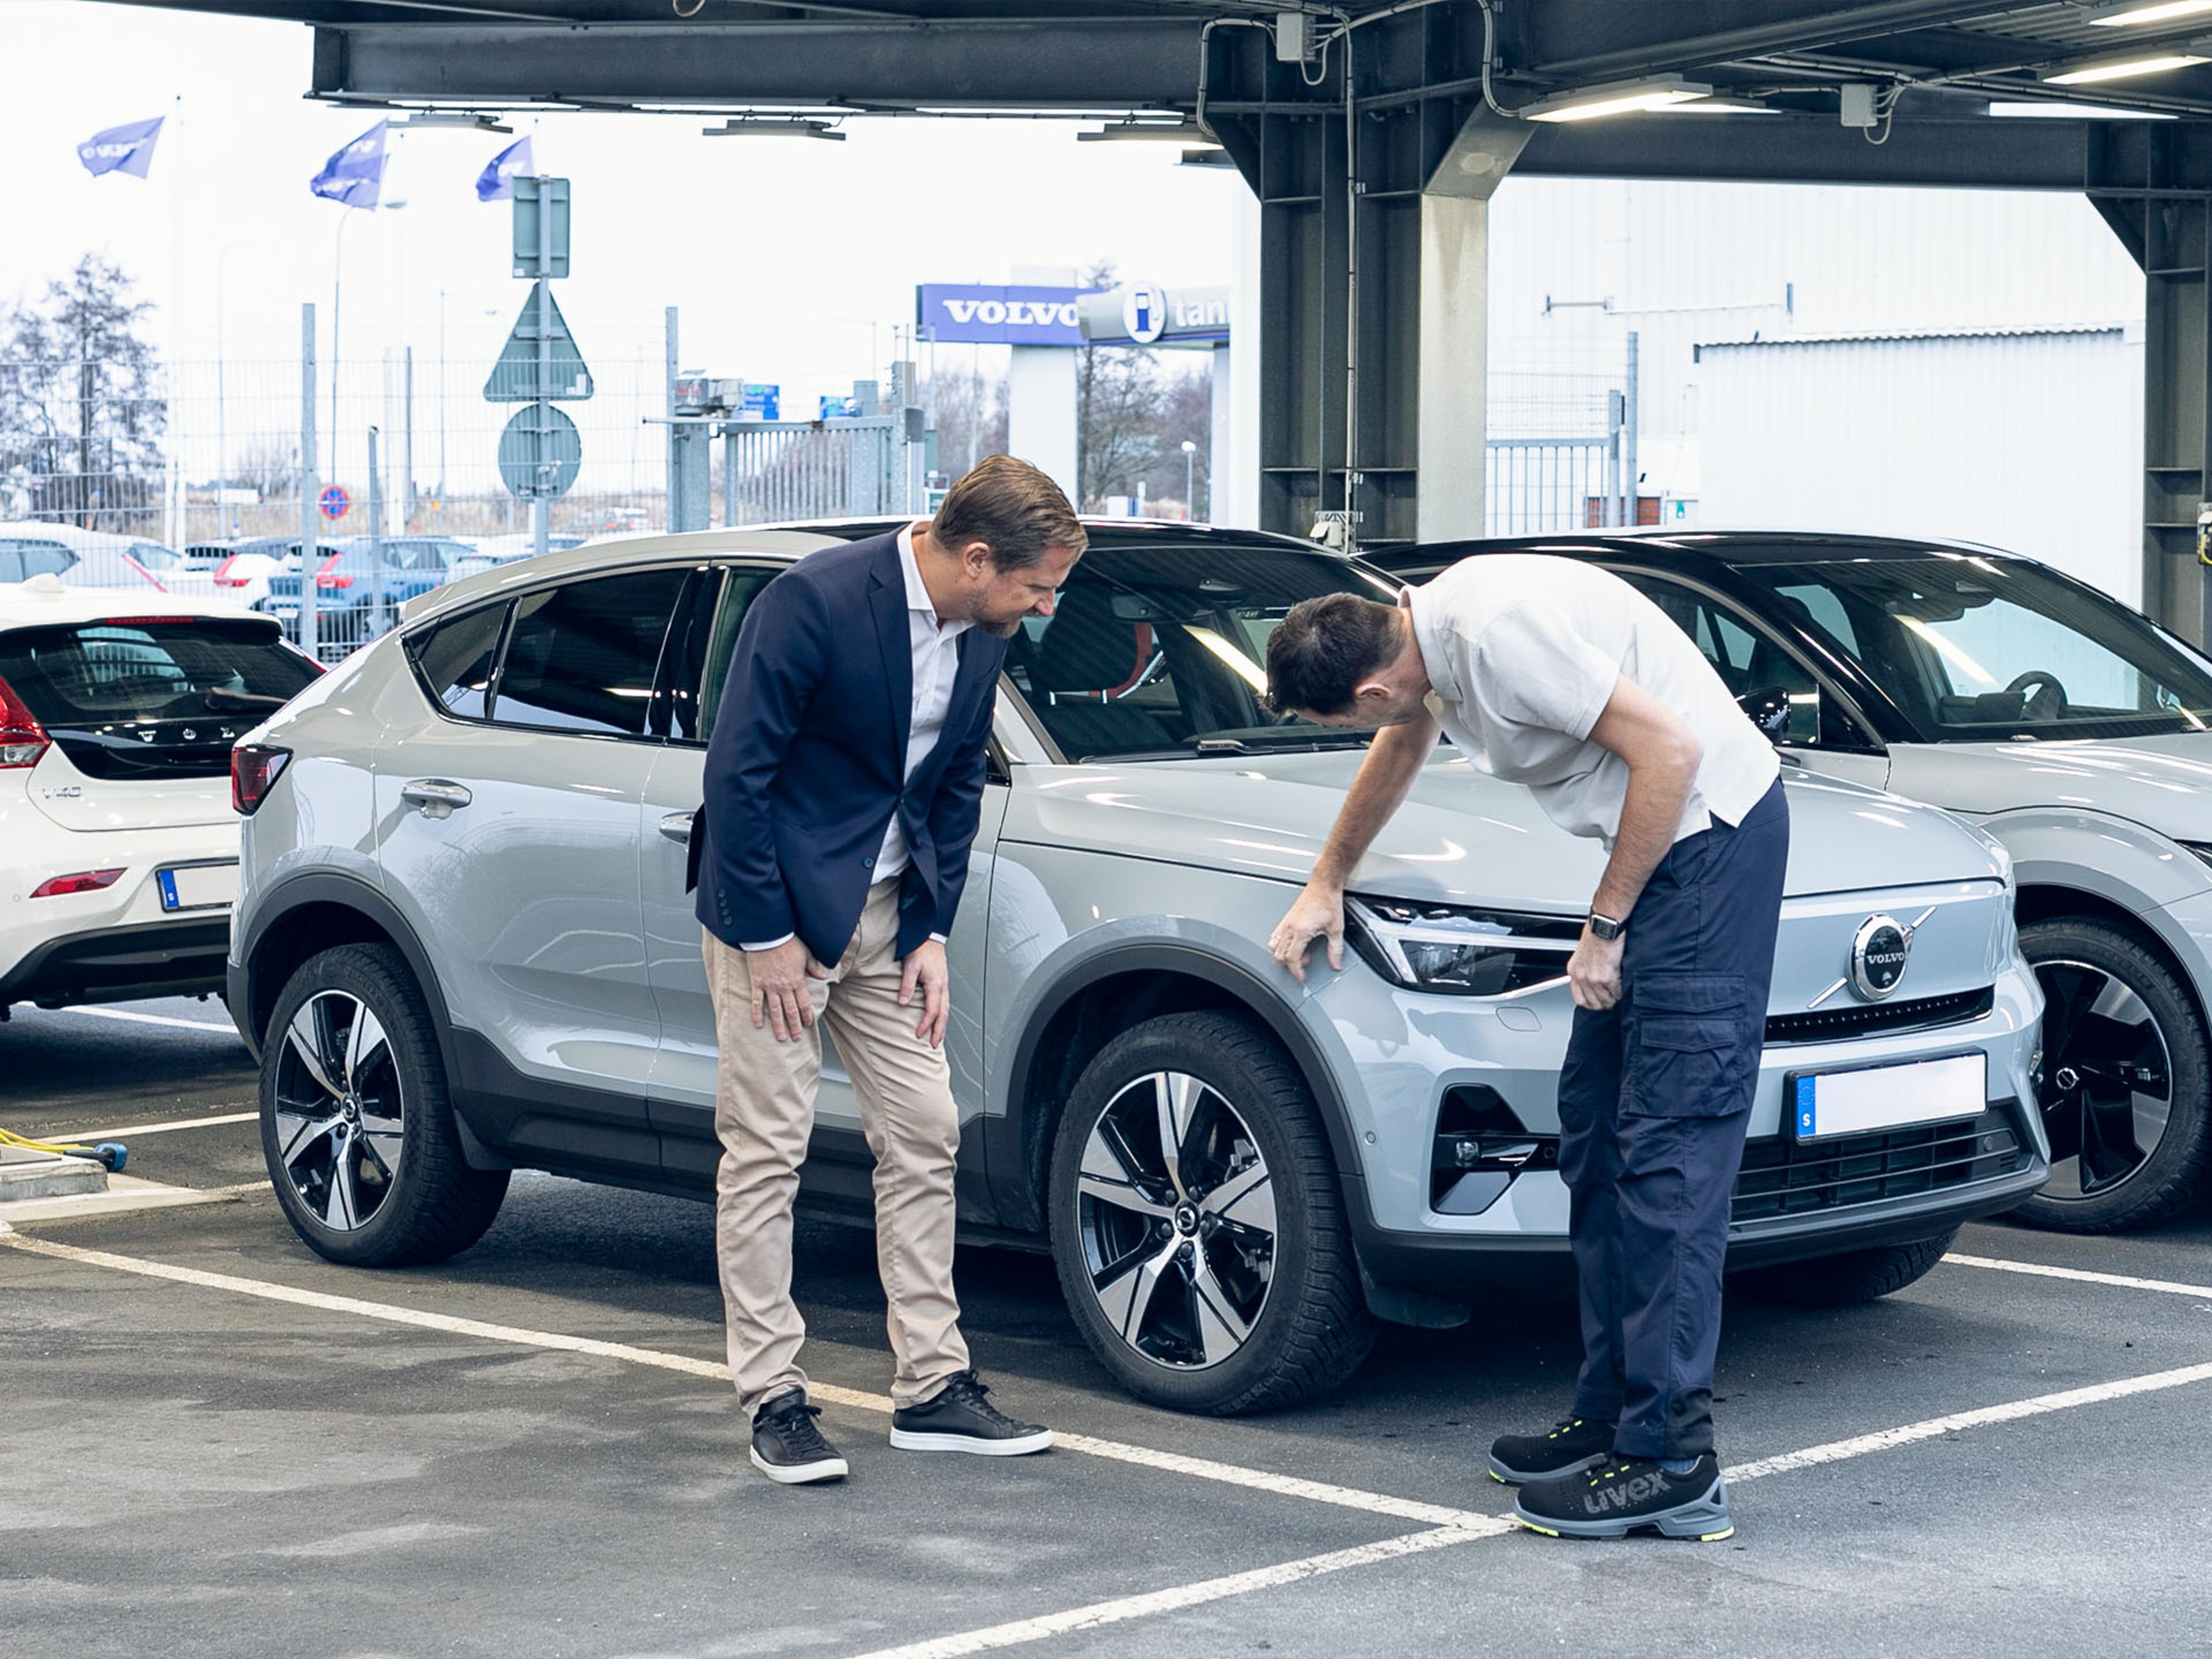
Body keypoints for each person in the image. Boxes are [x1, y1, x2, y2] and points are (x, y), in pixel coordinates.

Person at [1262, 555, 1787, 1543]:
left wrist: (1606, 924)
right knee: (1597, 1141)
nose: (1362, 732)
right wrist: (1326, 878)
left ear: (1373, 683)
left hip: (1710, 848)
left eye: (1345, 721)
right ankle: (1611, 1415)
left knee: (1668, 1158)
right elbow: (1400, 747)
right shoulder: (1424, 638)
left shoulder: (1497, 634)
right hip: (1665, 859)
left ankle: (1672, 1461)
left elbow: (1669, 756)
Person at [694, 455, 1084, 1484]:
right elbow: (739, 775)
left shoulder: (984, 630)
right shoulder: (814, 601)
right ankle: (773, 1396)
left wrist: (931, 928)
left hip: (887, 922)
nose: (1044, 609)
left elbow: (954, 782)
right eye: (1036, 586)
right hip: (778, 919)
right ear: (974, 556)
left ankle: (931, 1389)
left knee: (926, 1134)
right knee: (767, 1150)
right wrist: (765, 933)